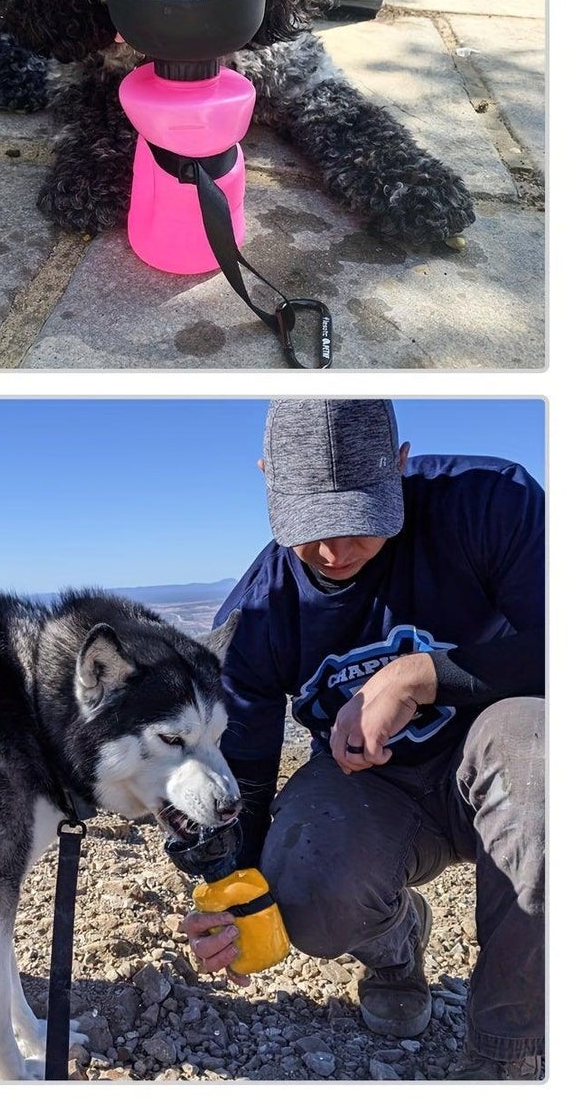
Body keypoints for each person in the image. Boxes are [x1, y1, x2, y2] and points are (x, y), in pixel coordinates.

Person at [181, 399, 544, 1080]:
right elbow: (247, 780)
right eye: (308, 525)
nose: (333, 550)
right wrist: (234, 897)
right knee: (307, 893)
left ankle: (509, 1058)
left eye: (358, 521)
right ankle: (397, 946)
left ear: (400, 465)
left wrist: (422, 675)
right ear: (266, 480)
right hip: (373, 787)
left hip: (507, 754)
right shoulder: (258, 613)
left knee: (545, 767)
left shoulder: (490, 502)